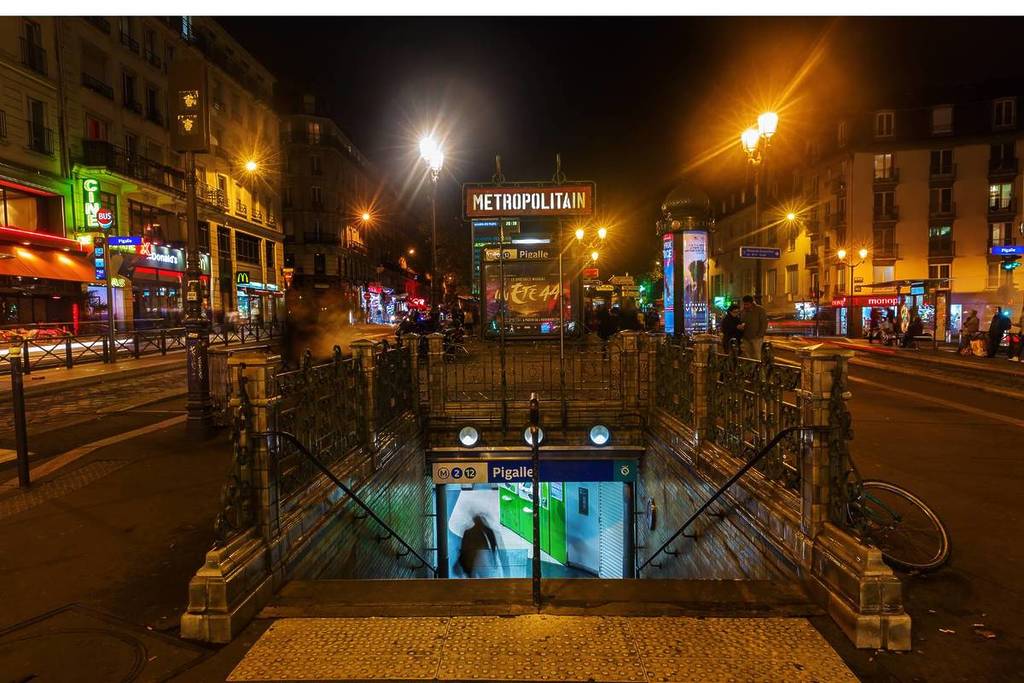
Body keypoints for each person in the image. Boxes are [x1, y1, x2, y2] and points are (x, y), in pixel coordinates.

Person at [739, 295, 767, 360]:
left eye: (747, 304)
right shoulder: (743, 311)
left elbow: (764, 323)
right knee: (748, 355)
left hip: (756, 337)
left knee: (757, 355)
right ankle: (752, 368)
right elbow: (741, 321)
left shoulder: (760, 310)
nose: (746, 306)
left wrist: (760, 335)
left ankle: (759, 369)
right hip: (746, 337)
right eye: (744, 304)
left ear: (752, 303)